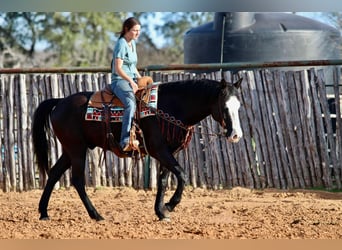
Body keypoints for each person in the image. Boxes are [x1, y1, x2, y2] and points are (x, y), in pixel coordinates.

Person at [111, 17, 142, 152]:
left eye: (139, 30)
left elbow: (132, 66)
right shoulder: (121, 44)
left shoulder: (132, 43)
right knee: (130, 104)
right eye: (135, 30)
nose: (137, 33)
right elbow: (118, 68)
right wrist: (130, 81)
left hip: (132, 79)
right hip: (120, 81)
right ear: (126, 30)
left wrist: (141, 79)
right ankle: (124, 140)